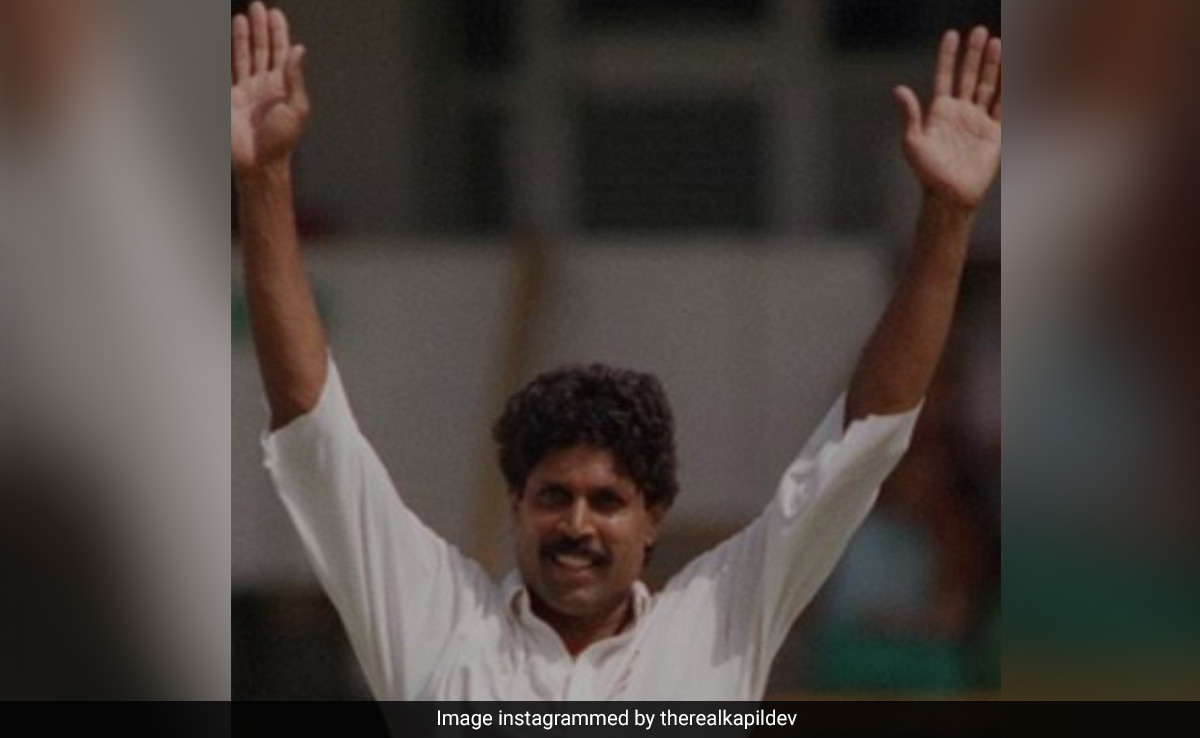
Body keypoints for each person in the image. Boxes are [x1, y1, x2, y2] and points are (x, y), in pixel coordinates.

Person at [232, 2, 1000, 701]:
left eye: (607, 501)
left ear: (653, 519)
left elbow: (866, 436)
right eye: (553, 496)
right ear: (516, 505)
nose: (577, 524)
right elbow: (312, 426)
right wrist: (265, 181)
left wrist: (947, 216)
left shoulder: (719, 617)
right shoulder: (436, 617)